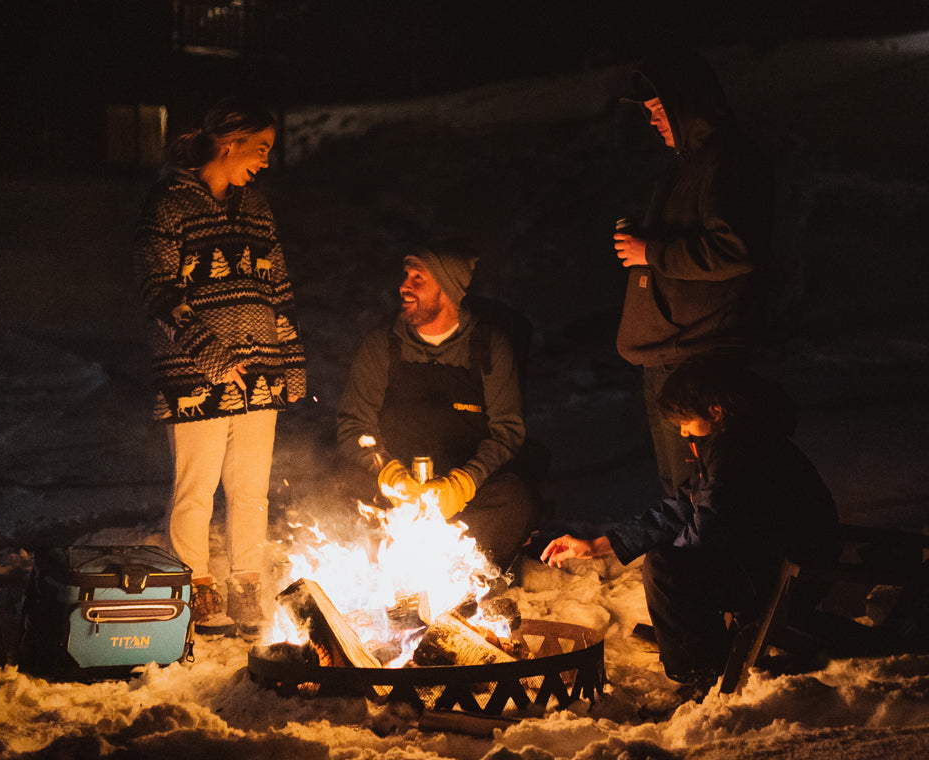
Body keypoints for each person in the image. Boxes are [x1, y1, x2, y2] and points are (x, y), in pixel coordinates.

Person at [541, 357, 838, 689]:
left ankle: (699, 671)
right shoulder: (733, 442)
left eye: (686, 421)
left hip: (789, 578)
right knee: (668, 563)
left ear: (716, 411)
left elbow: (708, 529)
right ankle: (699, 651)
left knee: (665, 568)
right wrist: (599, 545)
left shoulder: (738, 451)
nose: (682, 432)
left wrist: (672, 570)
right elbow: (682, 507)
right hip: (776, 568)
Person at [134, 97, 306, 634]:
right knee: (195, 491)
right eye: (261, 148)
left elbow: (278, 288)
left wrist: (291, 361)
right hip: (194, 374)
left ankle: (246, 586)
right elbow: (159, 291)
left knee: (251, 490)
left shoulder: (256, 207)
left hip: (261, 371)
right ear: (229, 144)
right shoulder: (169, 205)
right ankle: (198, 591)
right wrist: (208, 353)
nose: (266, 160)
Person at [613, 47, 775, 500]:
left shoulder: (728, 161)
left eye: (658, 109)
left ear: (686, 104)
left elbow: (734, 251)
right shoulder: (690, 164)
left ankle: (707, 550)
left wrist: (652, 251)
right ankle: (686, 546)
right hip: (670, 352)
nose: (652, 121)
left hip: (697, 356)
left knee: (701, 489)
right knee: (679, 490)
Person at [336, 239, 539, 571]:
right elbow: (353, 426)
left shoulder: (490, 346)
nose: (404, 286)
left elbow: (507, 433)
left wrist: (463, 483)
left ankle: (461, 576)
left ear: (447, 290)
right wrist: (388, 473)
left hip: (465, 499)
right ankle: (376, 573)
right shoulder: (381, 345)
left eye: (418, 278)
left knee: (515, 500)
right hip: (395, 498)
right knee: (338, 484)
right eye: (406, 275)